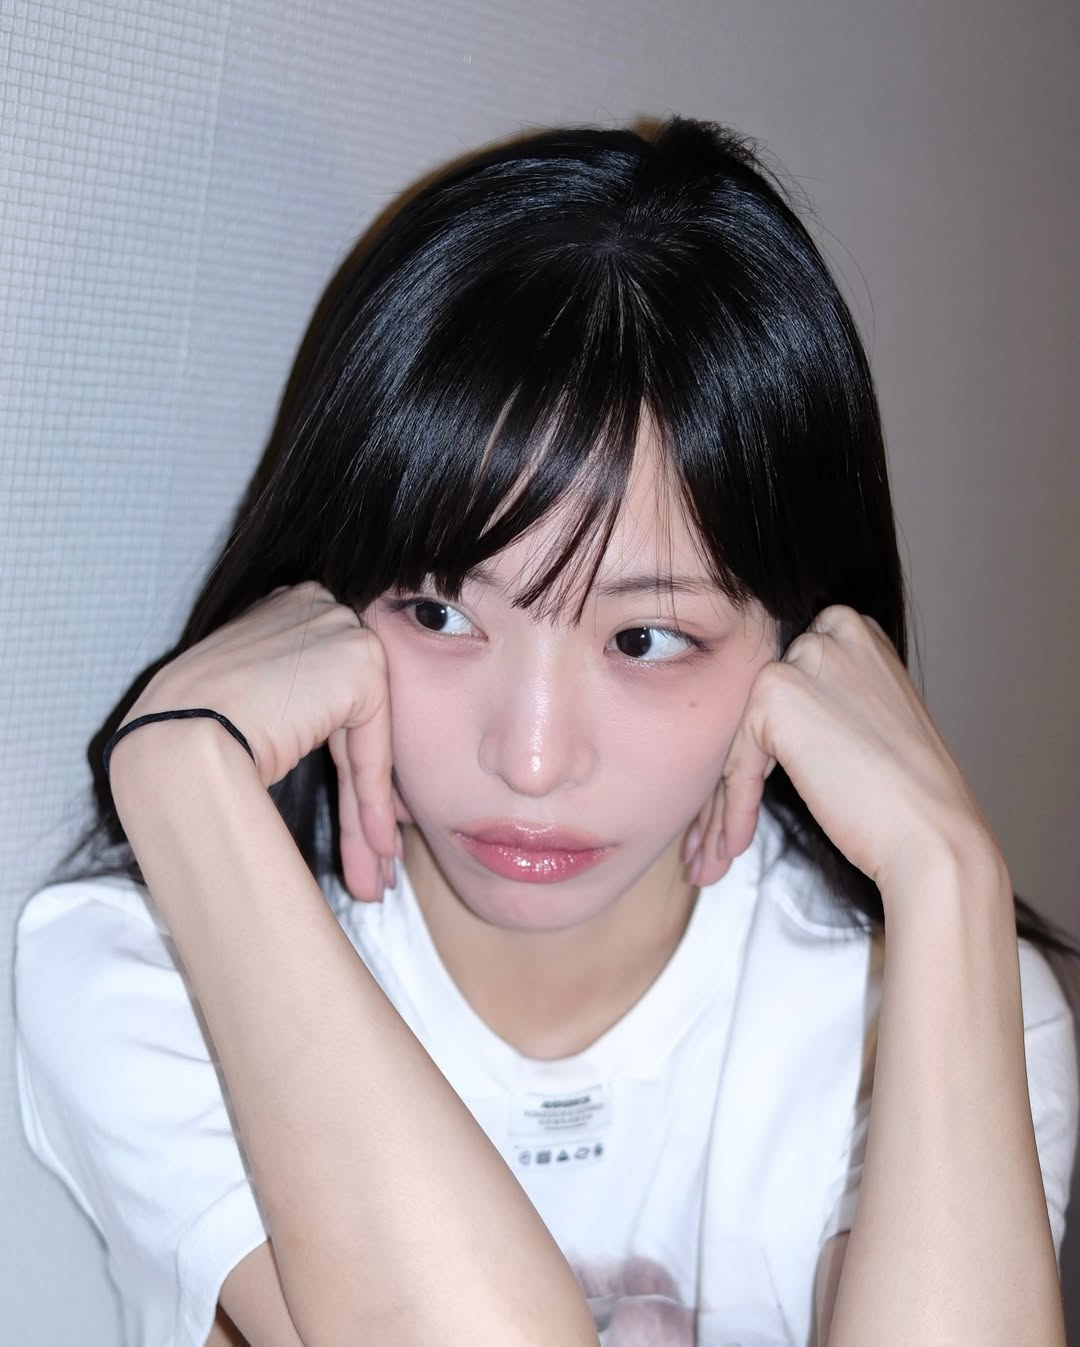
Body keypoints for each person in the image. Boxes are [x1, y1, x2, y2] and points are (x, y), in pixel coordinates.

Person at [14, 116, 1079, 1347]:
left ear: (800, 647)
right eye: (438, 613)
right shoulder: (153, 969)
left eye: (645, 640)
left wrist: (947, 874)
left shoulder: (925, 1008)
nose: (529, 761)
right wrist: (182, 772)